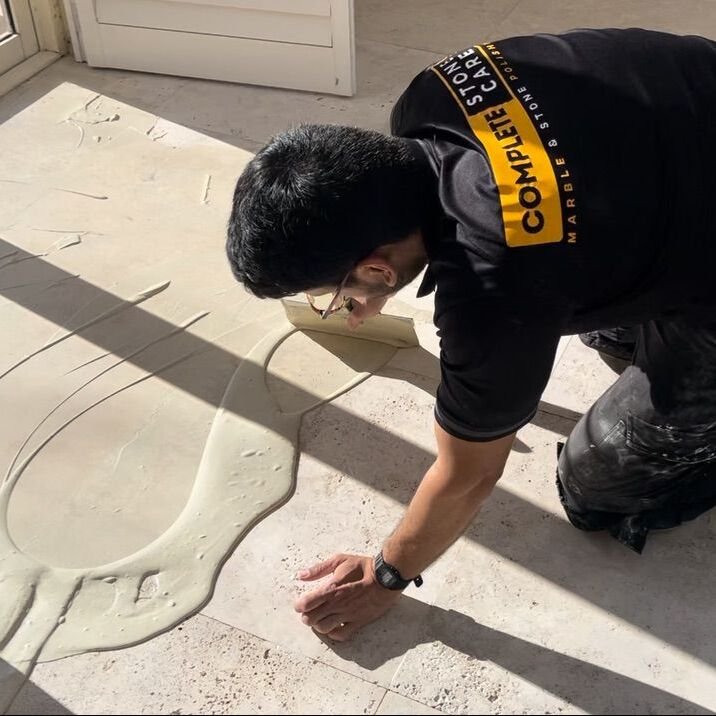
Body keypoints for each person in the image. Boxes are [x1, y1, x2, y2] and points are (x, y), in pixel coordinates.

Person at [226, 28, 716, 641]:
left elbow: (468, 476)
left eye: (334, 294)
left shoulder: (494, 286)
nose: (344, 307)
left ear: (377, 269)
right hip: (686, 130)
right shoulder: (430, 96)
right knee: (597, 317)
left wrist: (386, 576)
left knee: (598, 486)